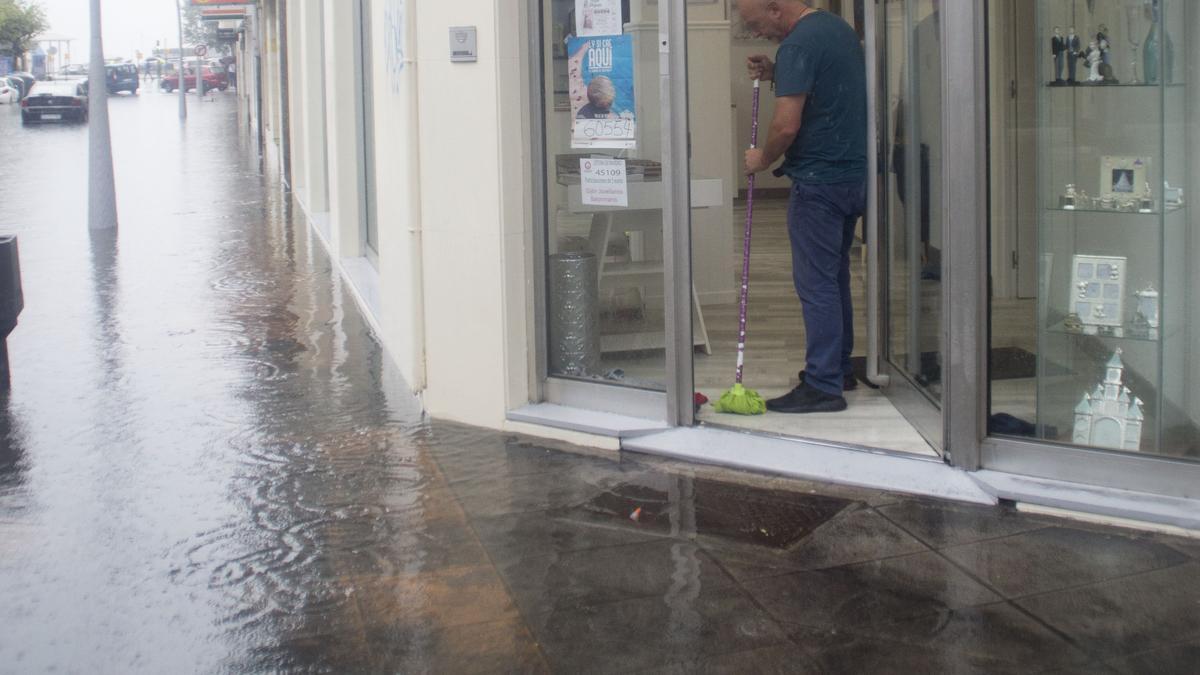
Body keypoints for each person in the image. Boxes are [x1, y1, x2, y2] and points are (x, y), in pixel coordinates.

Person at [735, 0, 867, 414]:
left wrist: (763, 158)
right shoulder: (836, 29)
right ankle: (839, 368)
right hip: (854, 176)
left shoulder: (796, 46)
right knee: (834, 277)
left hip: (819, 182)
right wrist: (778, 72)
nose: (757, 34)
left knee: (817, 284)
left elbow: (786, 125)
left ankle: (823, 385)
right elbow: (828, 86)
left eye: (755, 25)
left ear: (776, 9)